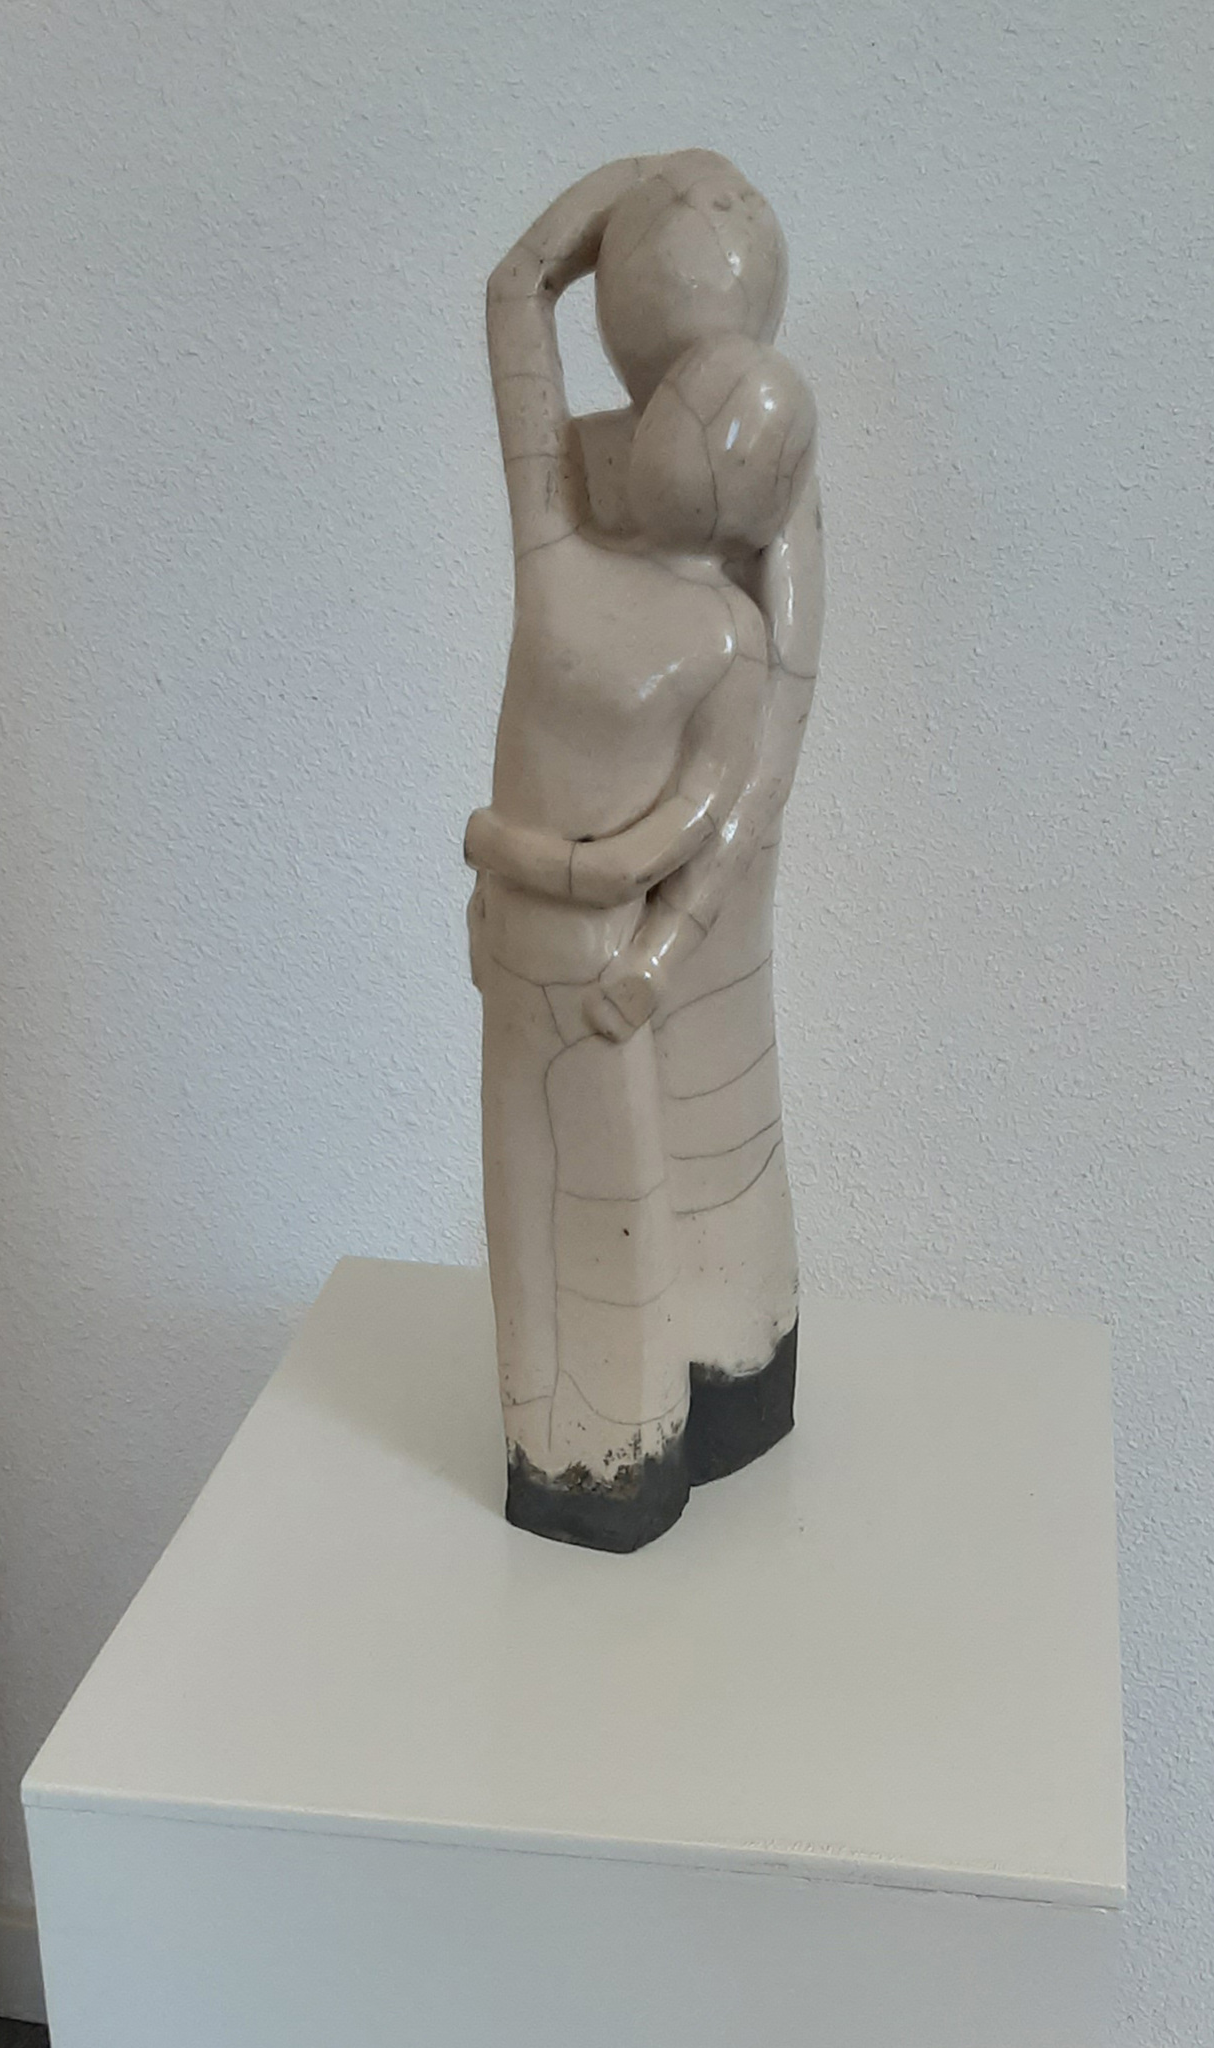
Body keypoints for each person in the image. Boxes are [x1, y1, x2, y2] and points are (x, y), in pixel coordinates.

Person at [471, 153, 823, 1549]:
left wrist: (650, 925)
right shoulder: (576, 545)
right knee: (575, 1178)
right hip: (571, 928)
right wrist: (650, 184)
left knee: (658, 1157)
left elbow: (735, 788)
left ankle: (654, 1418)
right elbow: (511, 302)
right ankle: (602, 1439)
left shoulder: (704, 601)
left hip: (616, 932)